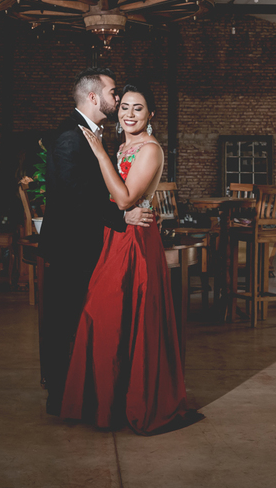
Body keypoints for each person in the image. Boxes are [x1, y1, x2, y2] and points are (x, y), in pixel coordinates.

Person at [61, 85, 197, 435]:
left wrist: (99, 153)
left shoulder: (150, 149)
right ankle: (105, 404)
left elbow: (123, 199)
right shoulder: (123, 147)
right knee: (106, 315)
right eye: (124, 107)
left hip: (135, 240)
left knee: (121, 316)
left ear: (151, 115)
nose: (129, 114)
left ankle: (131, 403)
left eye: (138, 108)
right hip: (116, 235)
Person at [38, 68, 154, 417]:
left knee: (86, 321)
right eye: (113, 93)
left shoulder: (93, 135)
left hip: (94, 244)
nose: (118, 100)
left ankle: (86, 394)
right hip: (71, 246)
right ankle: (61, 396)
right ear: (93, 97)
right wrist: (123, 217)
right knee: (64, 322)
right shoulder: (71, 136)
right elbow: (75, 195)